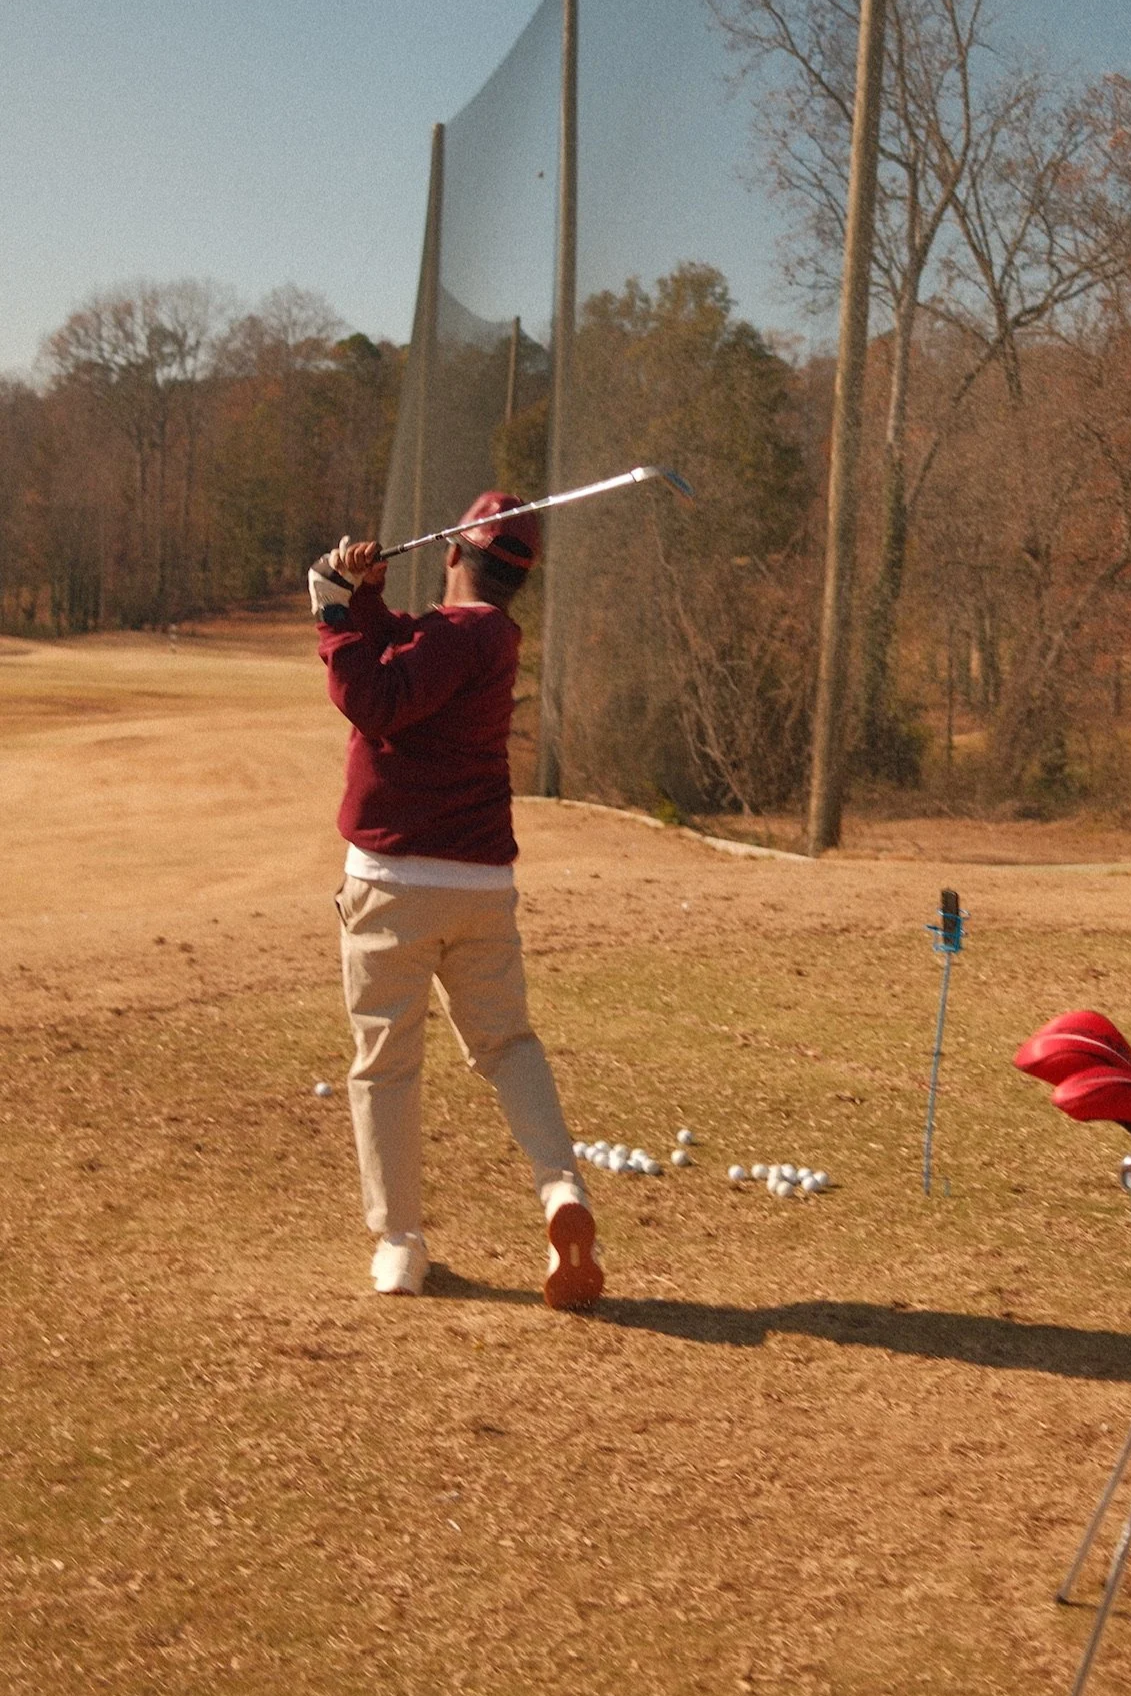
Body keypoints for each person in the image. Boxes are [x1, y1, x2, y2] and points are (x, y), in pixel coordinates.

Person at [308, 492, 603, 1310]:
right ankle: (560, 1191)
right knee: (507, 1046)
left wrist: (331, 616)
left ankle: (399, 1242)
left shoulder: (452, 638)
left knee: (385, 1065)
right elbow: (402, 655)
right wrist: (357, 598)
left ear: (449, 553)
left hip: (392, 886)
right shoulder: (487, 638)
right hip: (480, 889)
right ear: (519, 579)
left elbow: (374, 697)